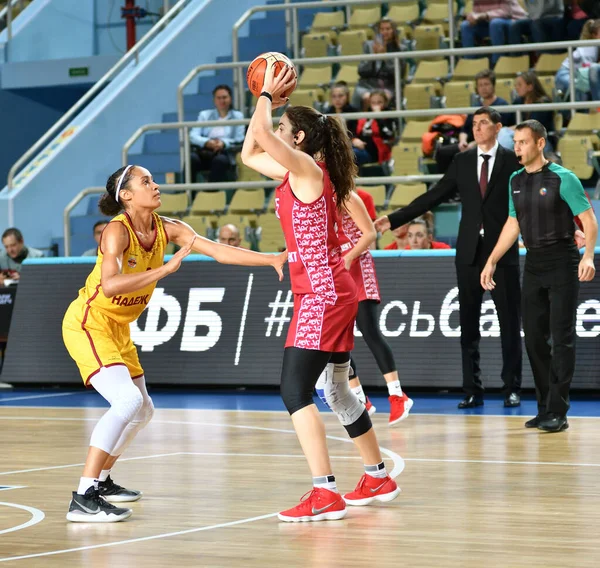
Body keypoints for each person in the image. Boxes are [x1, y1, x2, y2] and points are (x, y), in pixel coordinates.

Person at [62, 164, 286, 522]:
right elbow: (110, 286)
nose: (155, 185)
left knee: (144, 410)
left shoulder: (169, 229)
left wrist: (270, 259)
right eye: (146, 181)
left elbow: (219, 251)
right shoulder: (115, 233)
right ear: (126, 195)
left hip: (119, 329)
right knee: (127, 400)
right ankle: (83, 496)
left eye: (153, 179)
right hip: (89, 324)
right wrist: (164, 270)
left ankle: (101, 481)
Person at [241, 62, 401, 522]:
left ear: (298, 141)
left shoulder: (308, 167)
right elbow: (252, 151)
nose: (278, 126)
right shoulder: (295, 171)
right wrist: (270, 103)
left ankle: (324, 491)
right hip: (332, 290)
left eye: (287, 127)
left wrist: (269, 97)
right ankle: (376, 474)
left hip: (322, 294)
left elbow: (263, 135)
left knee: (294, 389)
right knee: (335, 387)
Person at [375, 107, 523, 409]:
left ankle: (512, 387)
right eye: (475, 124)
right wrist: (394, 219)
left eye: (484, 123)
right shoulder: (463, 161)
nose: (478, 128)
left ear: (497, 128)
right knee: (469, 326)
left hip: (502, 253)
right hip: (468, 253)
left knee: (509, 324)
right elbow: (433, 195)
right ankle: (472, 389)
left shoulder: (513, 161)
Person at [481, 119, 597, 432]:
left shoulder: (564, 178)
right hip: (532, 263)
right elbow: (512, 223)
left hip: (562, 261)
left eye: (523, 142)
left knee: (562, 339)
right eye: (515, 142)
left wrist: (588, 256)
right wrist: (492, 259)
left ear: (540, 143)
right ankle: (545, 408)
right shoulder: (515, 180)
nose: (517, 148)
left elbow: (588, 220)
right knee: (533, 337)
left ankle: (559, 410)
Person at [336, 191, 414, 425]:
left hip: (357, 265)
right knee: (338, 341)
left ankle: (398, 395)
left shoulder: (351, 196)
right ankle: (360, 399)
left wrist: (349, 257)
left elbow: (368, 234)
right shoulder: (316, 195)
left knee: (369, 331)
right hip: (336, 269)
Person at [437, 69, 515, 173]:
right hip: (469, 144)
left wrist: (473, 144)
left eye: (486, 84)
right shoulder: (475, 107)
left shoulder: (503, 106)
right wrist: (463, 142)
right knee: (442, 152)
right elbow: (465, 130)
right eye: (480, 85)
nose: (483, 88)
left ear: (493, 85)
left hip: (489, 145)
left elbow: (502, 132)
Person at [189, 84, 245, 182]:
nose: (221, 101)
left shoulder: (238, 116)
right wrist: (207, 142)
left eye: (224, 97)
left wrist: (223, 143)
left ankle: (211, 193)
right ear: (214, 100)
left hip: (224, 152)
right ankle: (189, 194)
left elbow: (239, 138)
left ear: (230, 99)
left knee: (220, 161)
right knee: (192, 159)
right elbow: (193, 135)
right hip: (205, 151)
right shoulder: (204, 115)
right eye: (218, 98)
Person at [354, 17, 404, 109]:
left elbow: (399, 73)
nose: (385, 32)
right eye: (382, 29)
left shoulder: (400, 48)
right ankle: (364, 122)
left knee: (380, 99)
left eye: (388, 29)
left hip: (388, 85)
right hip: (368, 84)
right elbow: (361, 71)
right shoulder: (368, 46)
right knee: (366, 97)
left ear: (394, 31)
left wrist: (385, 57)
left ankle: (383, 122)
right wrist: (373, 56)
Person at [498, 71, 554, 151]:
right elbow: (508, 119)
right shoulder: (518, 101)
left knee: (504, 132)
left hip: (540, 140)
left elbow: (534, 126)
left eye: (520, 85)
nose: (516, 88)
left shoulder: (543, 102)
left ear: (530, 86)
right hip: (521, 139)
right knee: (503, 132)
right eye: (516, 85)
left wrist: (510, 128)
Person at [460, 0, 528, 65]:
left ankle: (496, 63)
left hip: (512, 20)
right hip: (487, 22)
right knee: (465, 25)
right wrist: (472, 16)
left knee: (495, 23)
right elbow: (477, 12)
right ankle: (469, 62)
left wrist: (486, 15)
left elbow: (506, 12)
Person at [352, 90, 397, 167]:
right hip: (359, 148)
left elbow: (388, 134)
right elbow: (354, 133)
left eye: (379, 102)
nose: (376, 106)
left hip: (375, 152)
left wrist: (379, 117)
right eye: (373, 103)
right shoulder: (365, 116)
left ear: (385, 103)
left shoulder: (389, 117)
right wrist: (354, 140)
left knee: (348, 154)